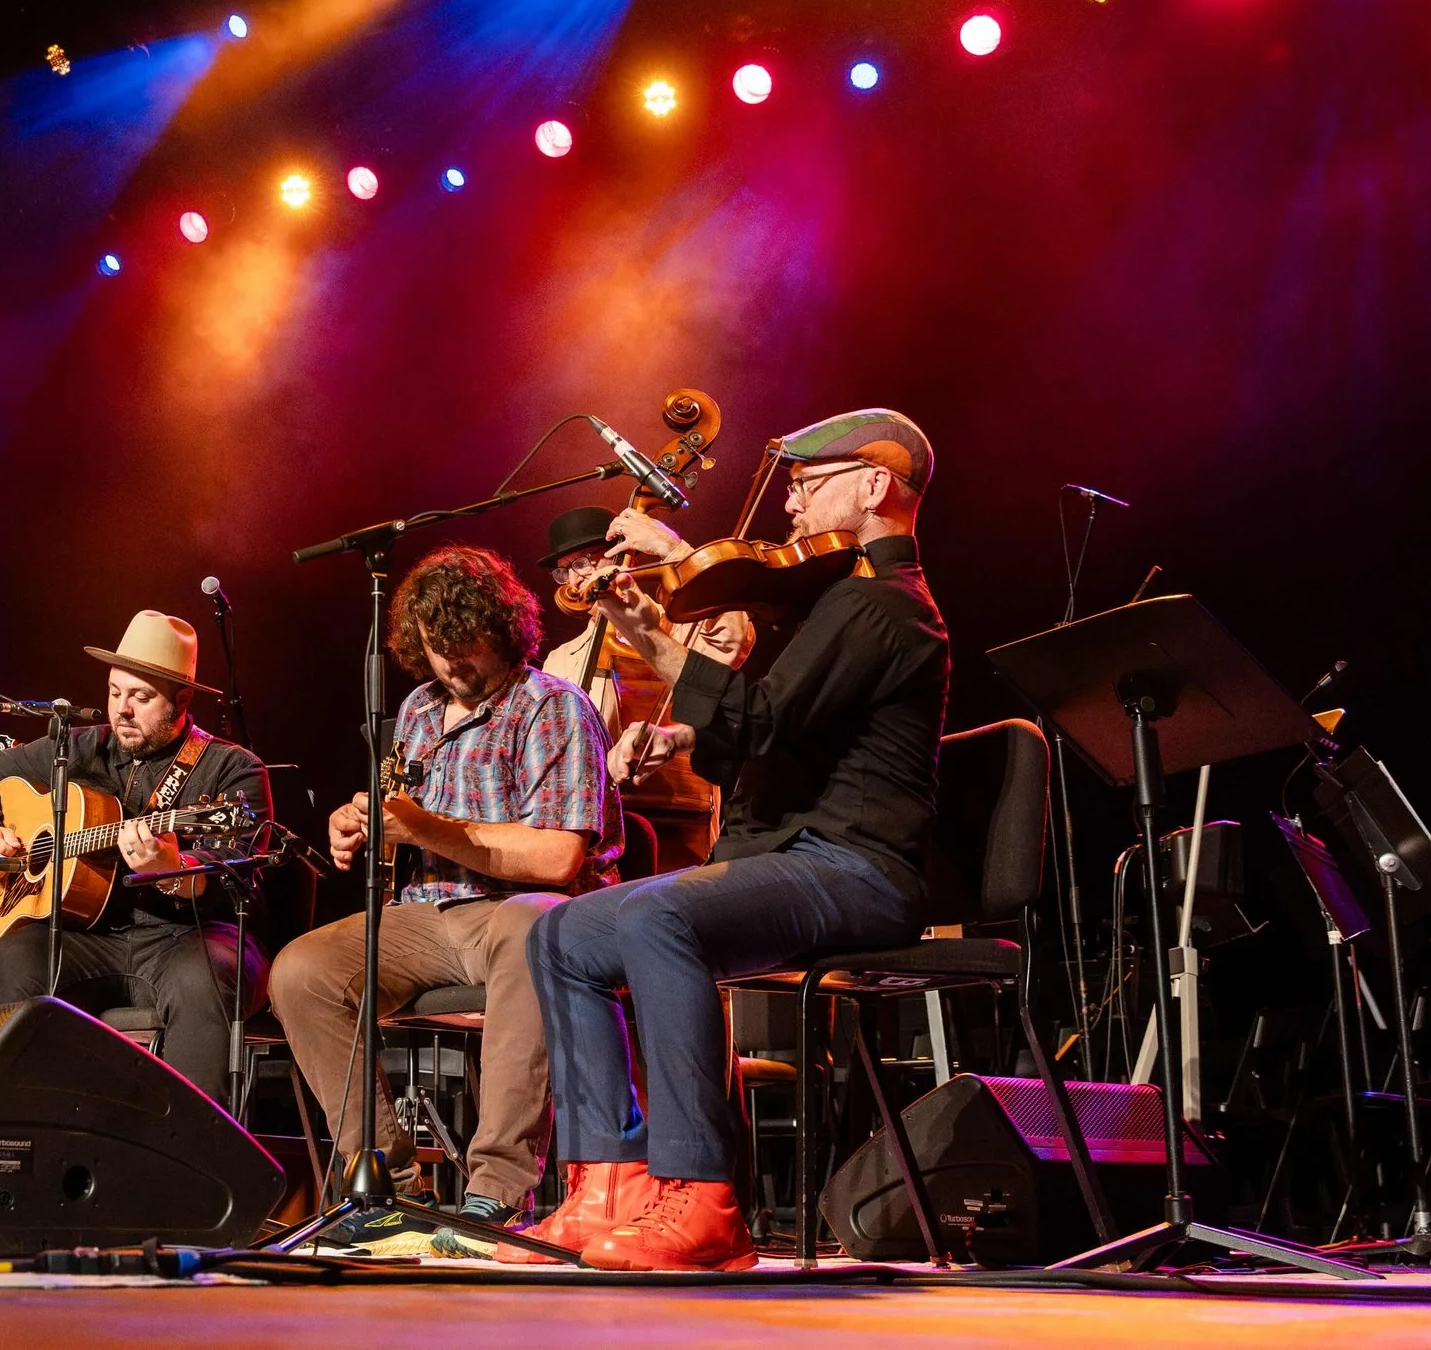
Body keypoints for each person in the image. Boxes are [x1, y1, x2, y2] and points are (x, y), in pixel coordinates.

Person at [519, 409, 950, 1270]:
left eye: (809, 482)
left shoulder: (883, 605)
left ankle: (705, 1198)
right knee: (561, 931)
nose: (790, 503)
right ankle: (609, 1179)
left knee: (657, 918)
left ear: (873, 486)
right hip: (794, 856)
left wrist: (650, 633)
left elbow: (756, 718)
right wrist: (676, 713)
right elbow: (768, 733)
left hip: (857, 868)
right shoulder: (837, 598)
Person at [269, 544, 615, 1254]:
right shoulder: (420, 710)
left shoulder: (551, 706)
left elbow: (558, 856)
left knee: (531, 928)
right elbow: (404, 819)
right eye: (436, 650)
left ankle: (496, 1190)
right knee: (300, 970)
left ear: (505, 629)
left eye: (466, 648)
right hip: (428, 915)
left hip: (523, 907)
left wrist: (426, 825)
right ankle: (389, 1187)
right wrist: (359, 821)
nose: (452, 665)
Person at [0, 611, 271, 1107]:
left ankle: (193, 1157)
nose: (122, 709)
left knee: (202, 976)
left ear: (181, 701)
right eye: (115, 691)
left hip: (188, 938)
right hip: (89, 938)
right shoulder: (80, 748)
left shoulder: (232, 769)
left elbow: (241, 873)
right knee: (16, 956)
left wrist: (173, 870)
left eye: (141, 698)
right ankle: (4, 1131)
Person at [537, 505, 754, 870]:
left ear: (625, 554)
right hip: (595, 834)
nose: (574, 580)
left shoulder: (675, 626)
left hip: (676, 823)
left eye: (584, 562)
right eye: (565, 569)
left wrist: (676, 553)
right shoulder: (561, 659)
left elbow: (731, 634)